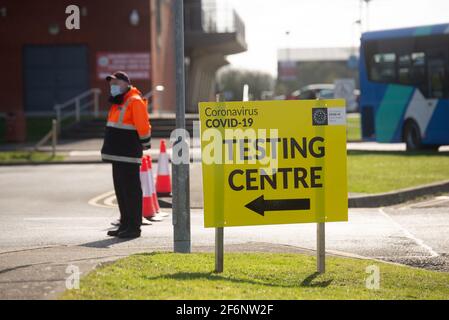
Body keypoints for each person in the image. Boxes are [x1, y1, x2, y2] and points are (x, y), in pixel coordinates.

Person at [101, 71, 151, 239]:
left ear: (125, 84)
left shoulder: (134, 101)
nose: (113, 86)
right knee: (121, 191)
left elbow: (143, 126)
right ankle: (125, 224)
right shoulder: (118, 102)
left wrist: (145, 143)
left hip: (128, 154)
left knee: (130, 191)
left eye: (116, 83)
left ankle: (134, 227)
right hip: (117, 154)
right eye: (111, 84)